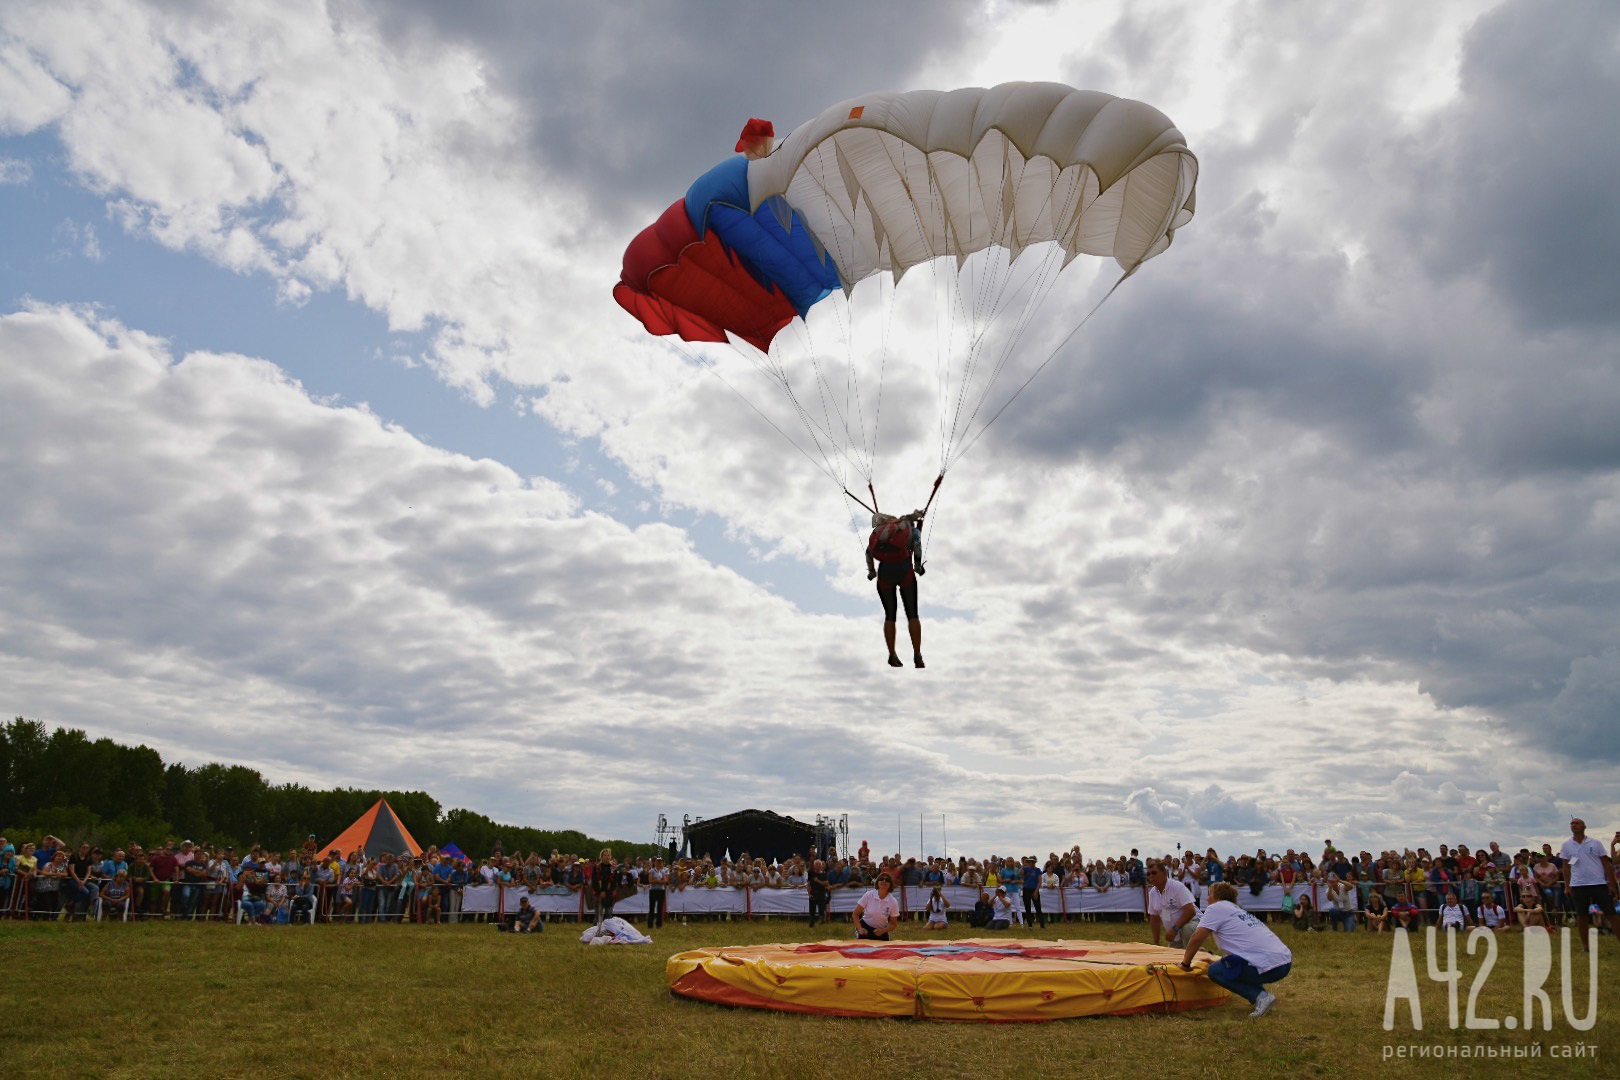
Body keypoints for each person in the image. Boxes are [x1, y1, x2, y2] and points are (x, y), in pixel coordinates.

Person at [1180, 882, 1293, 1018]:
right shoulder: (1237, 910)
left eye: (1209, 894)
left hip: (1271, 966)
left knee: (1215, 971)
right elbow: (1244, 947)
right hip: (1284, 962)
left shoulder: (1216, 908)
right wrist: (1217, 958)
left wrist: (1185, 963)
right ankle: (1262, 996)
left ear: (1216, 896)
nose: (1207, 899)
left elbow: (1197, 937)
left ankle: (1260, 996)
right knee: (1223, 966)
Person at [865, 510, 927, 668]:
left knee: (890, 615)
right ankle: (917, 655)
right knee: (912, 614)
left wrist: (872, 571)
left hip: (885, 572)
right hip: (904, 571)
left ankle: (892, 655)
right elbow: (917, 548)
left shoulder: (881, 531)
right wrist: (918, 567)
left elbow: (868, 552)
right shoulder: (912, 531)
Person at [1560, 817, 1620, 951]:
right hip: (1579, 885)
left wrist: (1611, 884)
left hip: (1599, 883)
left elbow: (1606, 864)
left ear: (1584, 826)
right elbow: (1566, 867)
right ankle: (1585, 946)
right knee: (1582, 916)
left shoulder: (1595, 843)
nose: (1574, 825)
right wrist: (1567, 886)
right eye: (1572, 823)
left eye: (1577, 823)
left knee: (1611, 914)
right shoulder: (1566, 845)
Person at [1145, 862, 1199, 948]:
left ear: (1164, 873)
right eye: (1148, 874)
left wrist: (1175, 929)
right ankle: (1199, 952)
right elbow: (1154, 918)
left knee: (1187, 929)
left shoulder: (1177, 886)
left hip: (1194, 923)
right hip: (1175, 934)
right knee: (1174, 958)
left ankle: (1195, 952)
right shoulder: (1152, 893)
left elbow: (1191, 911)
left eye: (1154, 873)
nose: (1151, 876)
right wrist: (1156, 943)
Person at [852, 876, 901, 940]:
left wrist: (883, 931)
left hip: (882, 930)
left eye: (887, 880)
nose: (884, 881)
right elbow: (855, 914)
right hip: (865, 928)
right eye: (881, 879)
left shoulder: (893, 901)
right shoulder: (869, 895)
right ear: (877, 883)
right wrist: (860, 928)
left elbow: (893, 924)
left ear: (890, 885)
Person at [807, 858, 830, 929]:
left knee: (821, 909)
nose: (818, 866)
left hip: (821, 893)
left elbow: (826, 883)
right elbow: (808, 884)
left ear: (821, 866)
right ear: (814, 865)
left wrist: (818, 881)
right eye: (816, 864)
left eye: (819, 864)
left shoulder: (823, 874)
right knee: (812, 909)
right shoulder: (811, 873)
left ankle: (821, 922)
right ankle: (812, 923)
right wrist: (809, 893)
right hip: (813, 893)